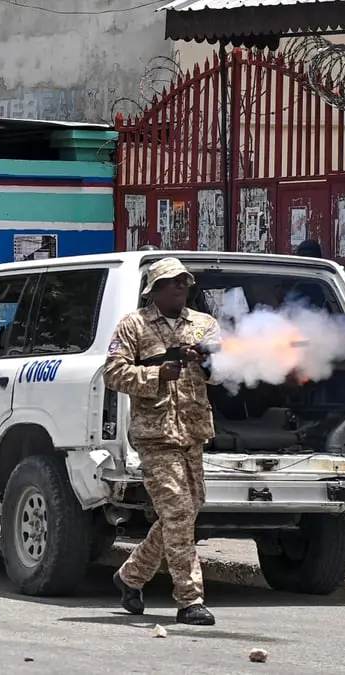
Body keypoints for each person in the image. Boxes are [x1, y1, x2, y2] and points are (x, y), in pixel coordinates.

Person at [104, 257, 222, 626]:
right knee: (178, 512)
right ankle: (190, 599)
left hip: (192, 430)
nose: (180, 288)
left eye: (184, 282)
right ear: (153, 290)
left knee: (189, 508)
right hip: (156, 435)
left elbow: (221, 373)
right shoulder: (134, 326)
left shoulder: (204, 325)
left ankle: (131, 575)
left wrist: (206, 364)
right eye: (172, 283)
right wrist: (156, 373)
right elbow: (113, 372)